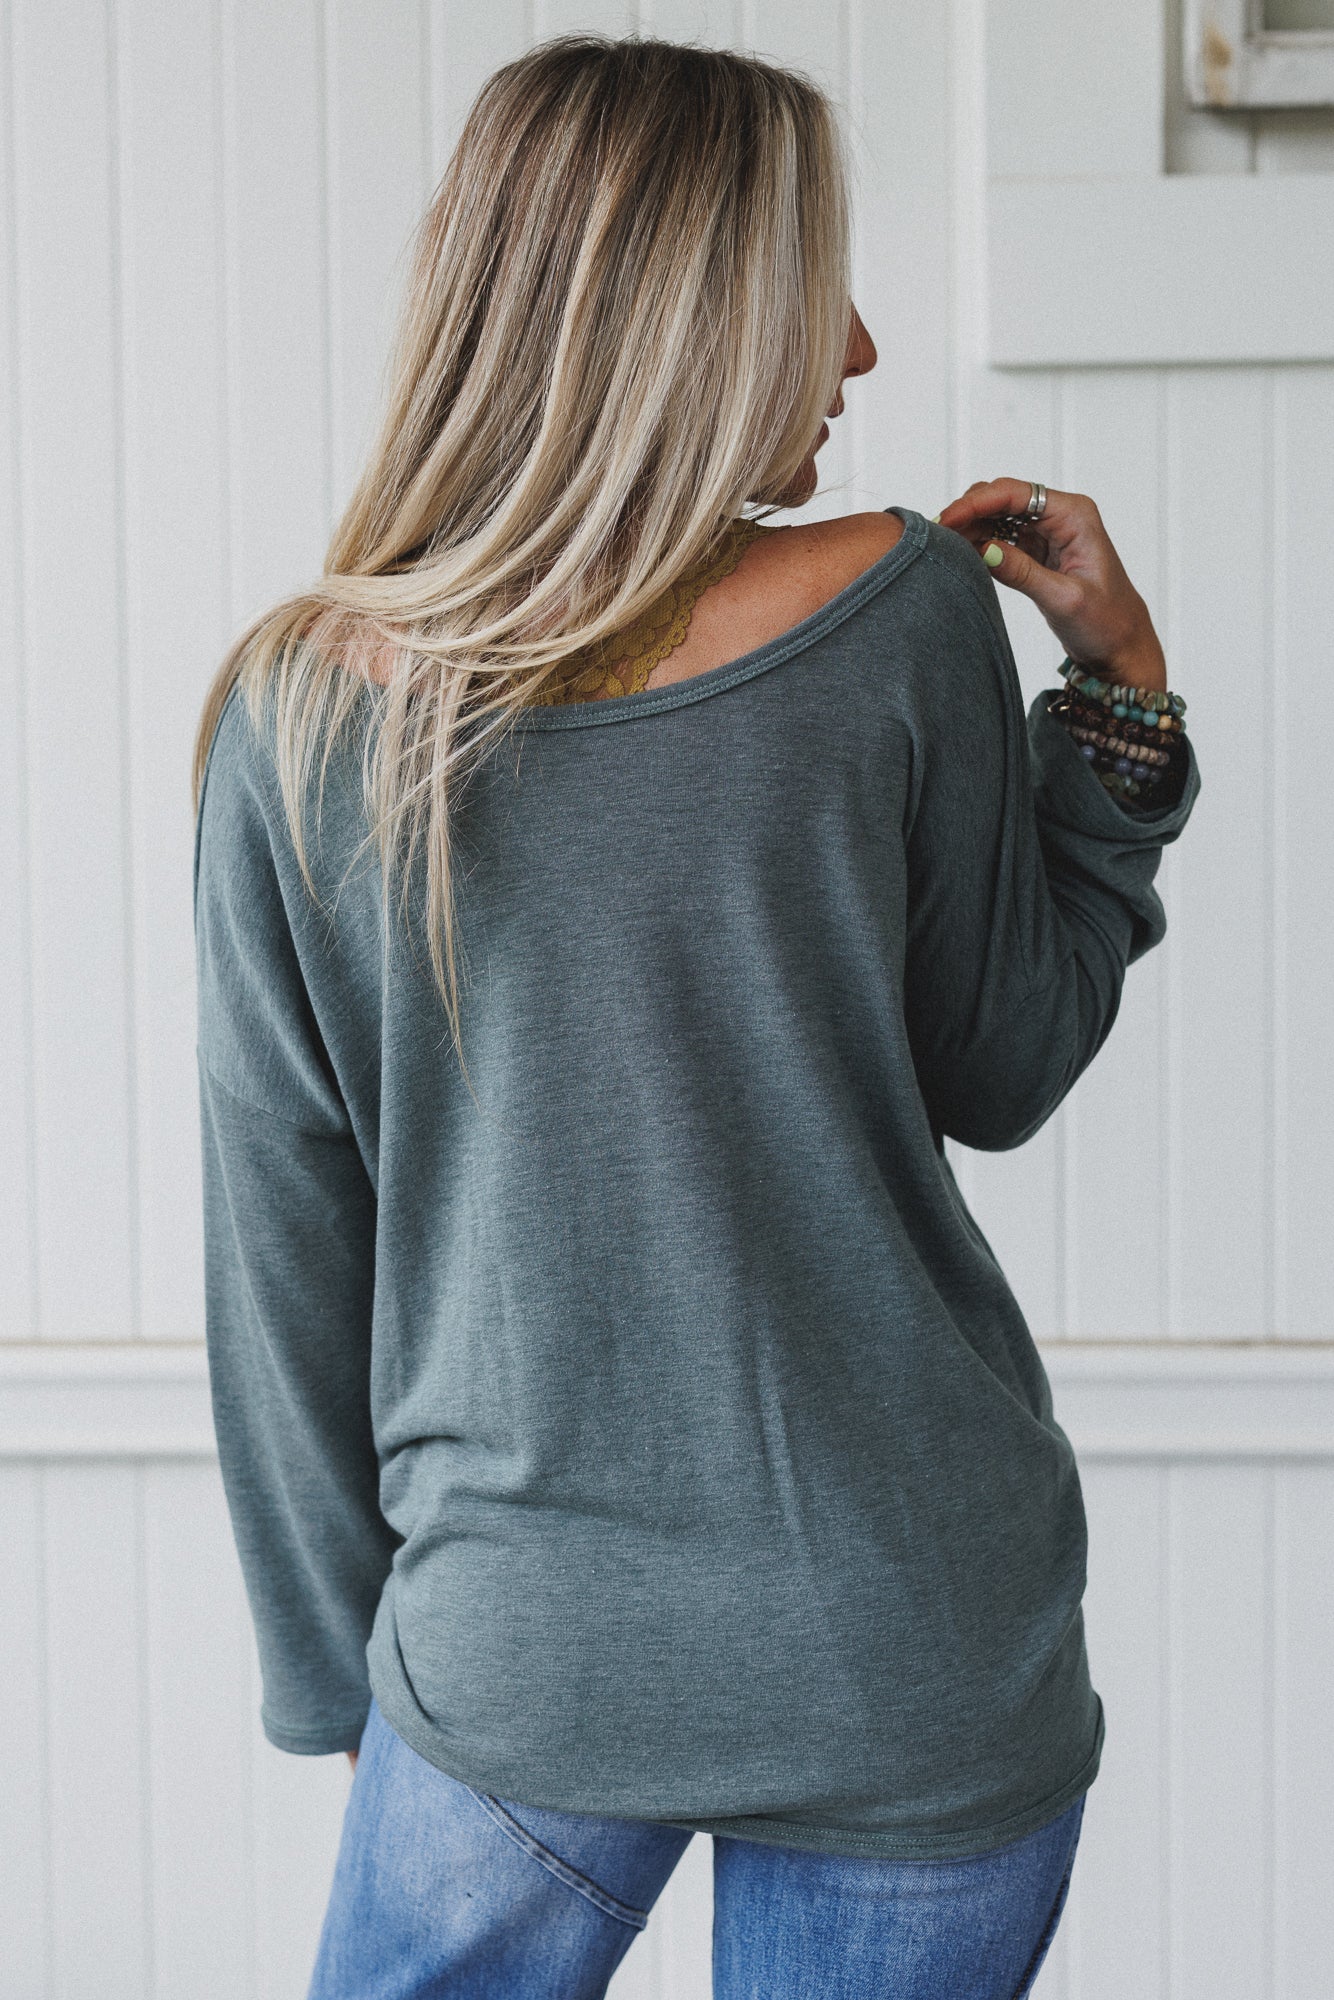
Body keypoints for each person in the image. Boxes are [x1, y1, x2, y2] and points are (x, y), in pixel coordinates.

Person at [190, 33, 1200, 2000]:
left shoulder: (297, 708)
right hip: (904, 1633)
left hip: (518, 1653)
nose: (861, 348)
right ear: (690, 310)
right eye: (818, 283)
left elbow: (282, 1249)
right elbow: (1001, 1063)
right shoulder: (904, 608)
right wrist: (1119, 701)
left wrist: (342, 1689)